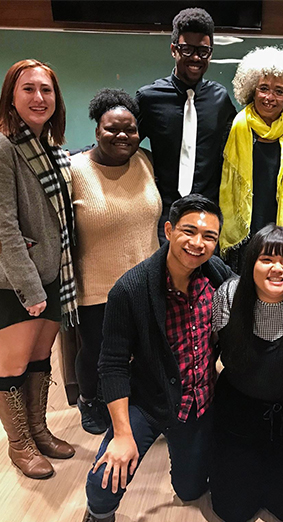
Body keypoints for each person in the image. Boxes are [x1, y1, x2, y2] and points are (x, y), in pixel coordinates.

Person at [82, 195, 233, 522]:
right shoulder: (131, 289)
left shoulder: (216, 274)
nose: (198, 243)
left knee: (191, 490)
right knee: (104, 480)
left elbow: (250, 292)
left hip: (197, 403)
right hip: (149, 401)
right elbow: (112, 364)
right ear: (168, 229)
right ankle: (98, 515)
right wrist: (122, 434)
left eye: (209, 236)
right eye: (188, 231)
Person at [210, 224, 283, 522]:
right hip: (239, 418)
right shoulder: (228, 295)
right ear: (251, 263)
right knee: (230, 511)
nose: (277, 269)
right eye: (266, 259)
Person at [0, 59, 77, 479]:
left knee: (40, 360)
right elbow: (3, 226)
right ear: (11, 96)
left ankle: (39, 429)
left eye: (46, 90)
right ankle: (20, 444)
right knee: (11, 366)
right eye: (28, 89)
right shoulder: (4, 146)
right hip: (17, 281)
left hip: (54, 274)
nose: (38, 98)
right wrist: (30, 288)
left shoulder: (51, 149)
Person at [71, 88, 162, 435]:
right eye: (112, 129)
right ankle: (91, 401)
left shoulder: (146, 161)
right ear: (97, 130)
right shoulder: (74, 170)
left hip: (146, 280)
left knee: (144, 350)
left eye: (130, 129)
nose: (122, 136)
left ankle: (134, 403)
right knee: (97, 351)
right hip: (96, 284)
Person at [136, 7, 236, 243]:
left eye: (203, 51)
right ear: (174, 49)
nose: (195, 57)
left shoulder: (220, 100)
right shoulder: (149, 98)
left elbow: (237, 146)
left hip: (208, 216)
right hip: (164, 216)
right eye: (187, 49)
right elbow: (122, 142)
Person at [219, 46, 283, 273]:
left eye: (279, 91)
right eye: (264, 88)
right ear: (252, 90)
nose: (270, 97)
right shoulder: (233, 129)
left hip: (281, 230)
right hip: (243, 232)